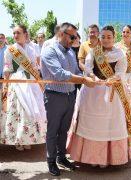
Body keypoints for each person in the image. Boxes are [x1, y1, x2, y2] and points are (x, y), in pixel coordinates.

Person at [68, 25, 131, 168]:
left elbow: (121, 71)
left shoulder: (120, 54)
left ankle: (108, 158)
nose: (105, 39)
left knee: (109, 123)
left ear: (114, 37)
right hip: (93, 91)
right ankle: (91, 157)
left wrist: (113, 79)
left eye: (109, 37)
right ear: (99, 37)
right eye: (103, 37)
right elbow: (88, 68)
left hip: (112, 92)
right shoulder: (93, 52)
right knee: (92, 123)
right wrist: (93, 77)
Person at [41, 22, 96, 176]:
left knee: (64, 130)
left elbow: (76, 70)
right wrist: (84, 80)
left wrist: (88, 74)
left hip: (70, 96)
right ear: (61, 34)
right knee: (53, 131)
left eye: (76, 37)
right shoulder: (49, 51)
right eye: (72, 36)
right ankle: (51, 161)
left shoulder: (71, 51)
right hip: (54, 96)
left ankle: (61, 157)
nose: (74, 39)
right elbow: (60, 74)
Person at [0, 25, 47, 151]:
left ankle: (30, 138)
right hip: (17, 81)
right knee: (19, 110)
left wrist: (39, 80)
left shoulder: (32, 48)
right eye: (14, 33)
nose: (15, 35)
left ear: (25, 34)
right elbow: (7, 69)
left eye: (18, 33)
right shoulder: (10, 50)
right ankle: (18, 139)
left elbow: (34, 66)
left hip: (31, 81)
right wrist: (6, 85)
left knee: (33, 109)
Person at [0, 34, 7, 110]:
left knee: (5, 92)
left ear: (5, 39)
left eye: (2, 38)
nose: (0, 39)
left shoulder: (9, 49)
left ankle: (4, 109)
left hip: (6, 75)